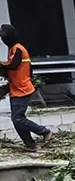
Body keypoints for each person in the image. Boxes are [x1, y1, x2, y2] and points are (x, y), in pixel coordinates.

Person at [0, 24, 53, 152]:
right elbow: (22, 69)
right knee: (16, 119)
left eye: (2, 36)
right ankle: (30, 144)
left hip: (22, 89)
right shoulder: (14, 49)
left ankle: (44, 132)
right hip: (17, 88)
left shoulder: (18, 49)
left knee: (18, 118)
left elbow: (13, 65)